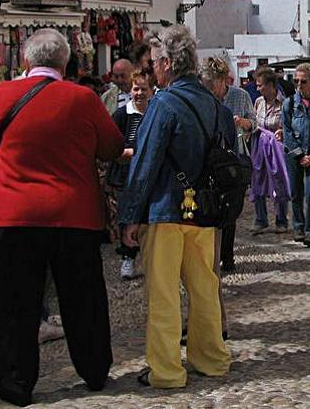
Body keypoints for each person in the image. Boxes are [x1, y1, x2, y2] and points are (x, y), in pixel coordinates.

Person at [0, 29, 122, 406]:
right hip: (73, 215)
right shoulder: (83, 99)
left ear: (26, 62)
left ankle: (15, 382)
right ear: (67, 64)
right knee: (83, 299)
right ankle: (94, 370)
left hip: (14, 214)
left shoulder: (1, 96)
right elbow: (110, 148)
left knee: (14, 304)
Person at [119, 25, 234, 389]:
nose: (152, 69)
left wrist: (129, 216)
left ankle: (166, 371)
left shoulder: (163, 104)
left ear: (167, 63)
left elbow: (146, 161)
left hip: (167, 209)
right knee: (204, 288)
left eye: (154, 63)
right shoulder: (216, 106)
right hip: (205, 210)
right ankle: (211, 358)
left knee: (164, 292)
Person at [208, 57, 256, 272]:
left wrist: (243, 123)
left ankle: (227, 256)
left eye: (214, 82)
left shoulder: (241, 96)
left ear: (223, 80)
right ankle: (214, 256)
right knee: (213, 208)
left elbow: (253, 124)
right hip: (212, 161)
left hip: (235, 159)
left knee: (231, 210)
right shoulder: (205, 100)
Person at [109, 70, 155, 280]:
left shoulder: (156, 113)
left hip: (150, 177)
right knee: (127, 218)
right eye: (136, 89)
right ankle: (127, 259)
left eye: (143, 89)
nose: (139, 93)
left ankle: (149, 259)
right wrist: (129, 153)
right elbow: (112, 146)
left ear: (151, 91)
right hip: (126, 177)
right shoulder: (121, 115)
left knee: (149, 220)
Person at [283, 62, 310, 247]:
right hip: (294, 154)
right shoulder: (290, 103)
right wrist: (300, 154)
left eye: (303, 81)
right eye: (296, 81)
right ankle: (298, 226)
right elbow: (286, 129)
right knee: (296, 192)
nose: (299, 85)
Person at [251, 67, 290, 234]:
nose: (258, 89)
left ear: (271, 85)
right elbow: (254, 122)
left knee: (278, 180)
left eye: (261, 85)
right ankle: (261, 219)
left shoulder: (285, 103)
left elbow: (289, 125)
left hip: (277, 148)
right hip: (259, 145)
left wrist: (282, 132)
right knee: (257, 179)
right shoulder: (258, 102)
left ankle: (281, 219)